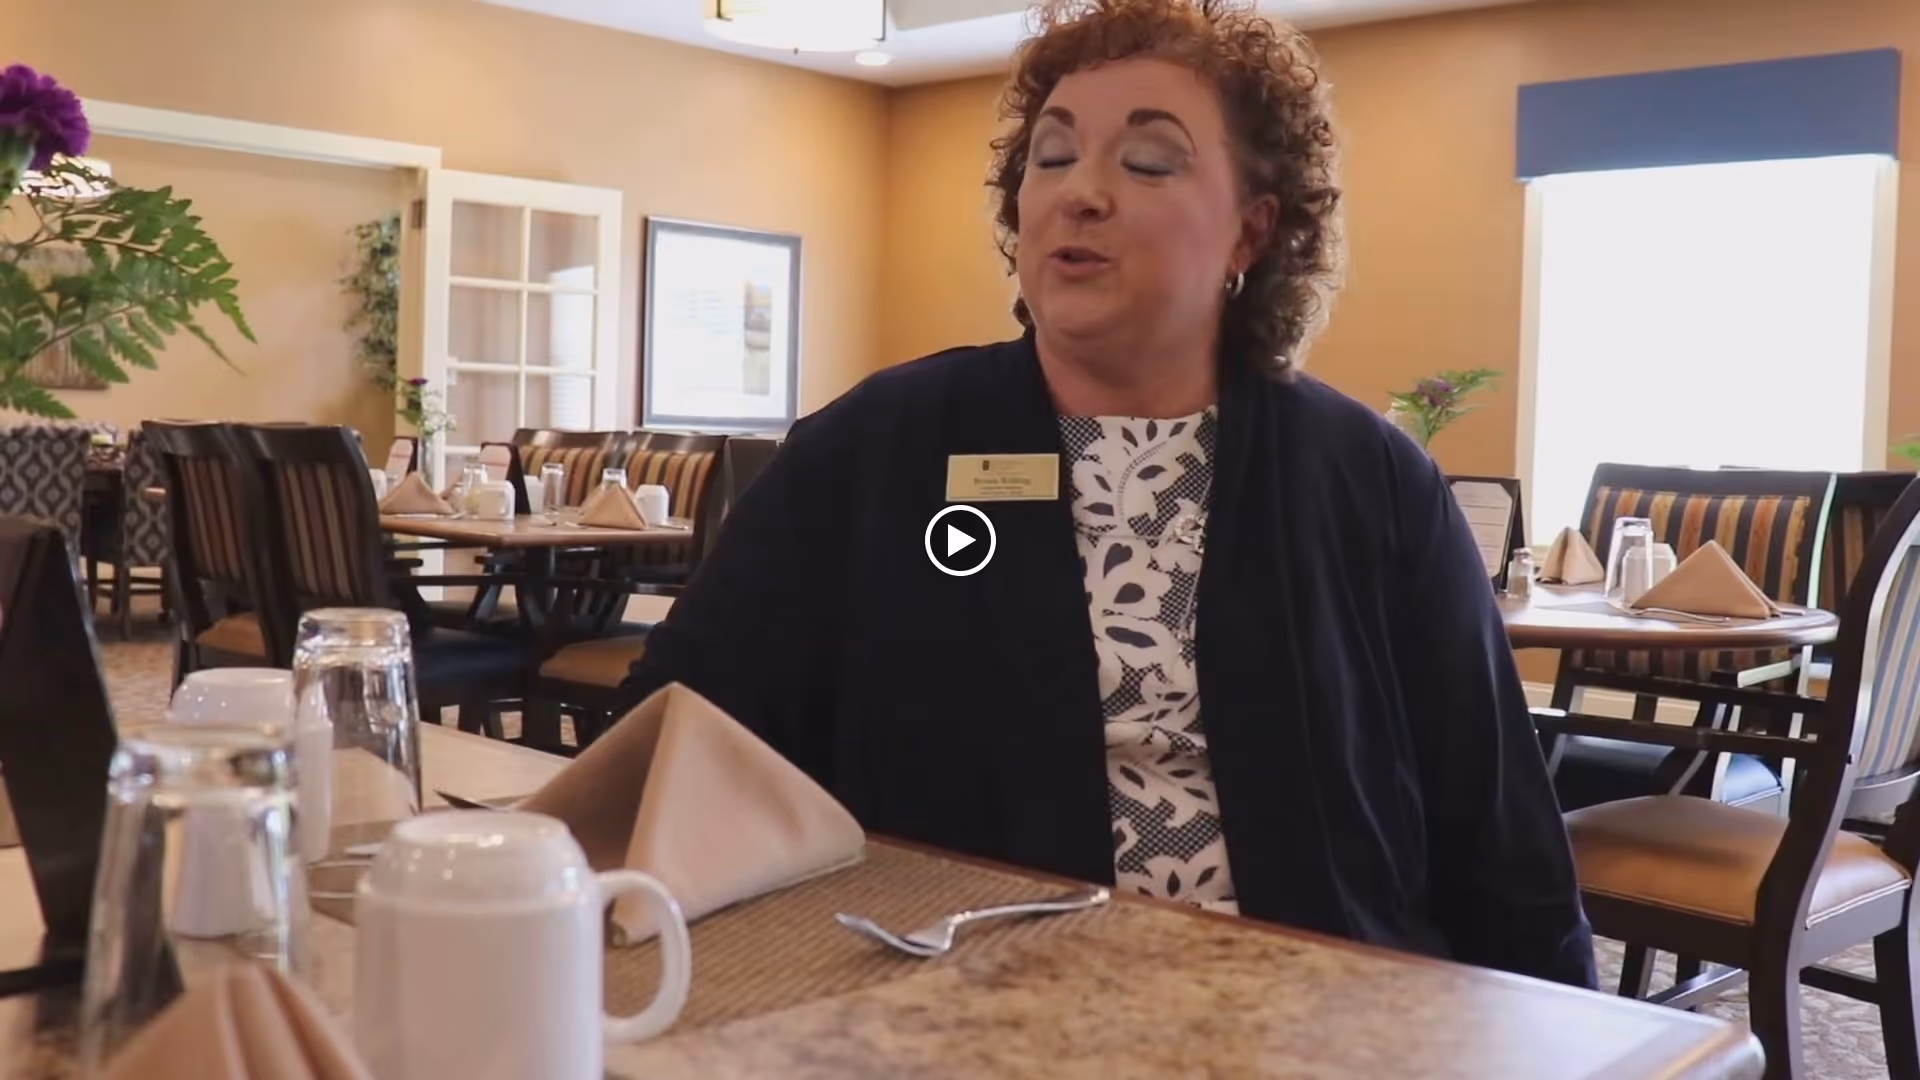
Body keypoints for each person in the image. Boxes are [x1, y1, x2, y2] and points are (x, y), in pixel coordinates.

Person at [624, 0, 1595, 988]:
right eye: (1051, 158)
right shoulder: (875, 448)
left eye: (1147, 162)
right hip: (953, 1003)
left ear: (1251, 232)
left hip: (1315, 1010)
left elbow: (1500, 831)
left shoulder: (1371, 480)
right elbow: (673, 737)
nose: (1079, 194)